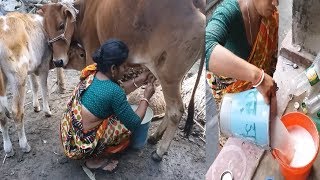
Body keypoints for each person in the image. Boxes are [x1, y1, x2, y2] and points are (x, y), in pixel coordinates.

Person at [60, 39, 156, 173]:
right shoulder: (113, 91)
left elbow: (117, 92)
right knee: (126, 129)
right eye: (124, 66)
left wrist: (140, 79)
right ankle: (94, 160)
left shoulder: (94, 72)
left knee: (116, 111)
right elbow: (134, 122)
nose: (126, 69)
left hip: (69, 133)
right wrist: (146, 97)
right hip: (80, 146)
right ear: (113, 69)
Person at [205, 0, 279, 169]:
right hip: (231, 98)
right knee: (233, 149)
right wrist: (257, 77)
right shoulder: (229, 11)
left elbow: (270, 59)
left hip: (258, 94)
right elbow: (207, 47)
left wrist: (265, 81)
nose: (276, 4)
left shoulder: (270, 18)